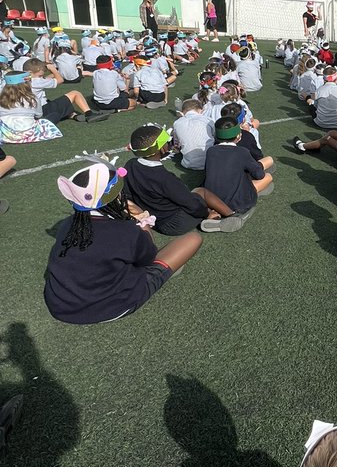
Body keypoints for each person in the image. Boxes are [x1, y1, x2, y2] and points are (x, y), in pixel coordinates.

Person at [44, 162, 202, 324]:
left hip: (59, 306)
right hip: (112, 307)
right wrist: (143, 220)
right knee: (193, 239)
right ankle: (166, 270)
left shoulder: (67, 225)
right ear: (115, 196)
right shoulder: (126, 230)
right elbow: (148, 259)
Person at [124, 124, 235, 235]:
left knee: (194, 195)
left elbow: (128, 194)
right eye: (167, 142)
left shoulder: (130, 165)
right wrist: (206, 213)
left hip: (155, 221)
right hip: (177, 223)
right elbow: (191, 203)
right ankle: (230, 215)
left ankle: (212, 214)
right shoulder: (165, 178)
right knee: (201, 192)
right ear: (162, 148)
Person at [202, 118, 274, 225]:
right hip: (237, 202)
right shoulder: (242, 152)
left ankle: (215, 213)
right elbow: (259, 174)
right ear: (238, 136)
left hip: (212, 199)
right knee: (268, 176)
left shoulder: (210, 151)